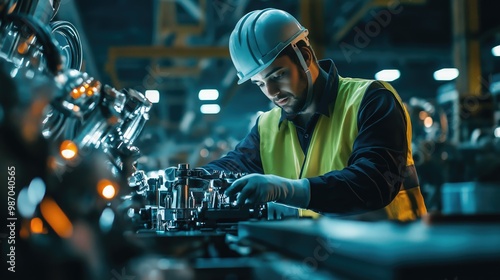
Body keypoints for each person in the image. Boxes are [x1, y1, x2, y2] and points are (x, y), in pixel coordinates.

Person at [202, 8, 427, 221]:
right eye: (260, 83)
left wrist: (286, 189)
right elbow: (233, 166)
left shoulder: (372, 99)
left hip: (396, 253)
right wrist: (188, 179)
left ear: (306, 56)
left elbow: (373, 183)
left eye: (278, 75)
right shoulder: (267, 127)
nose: (271, 92)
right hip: (325, 257)